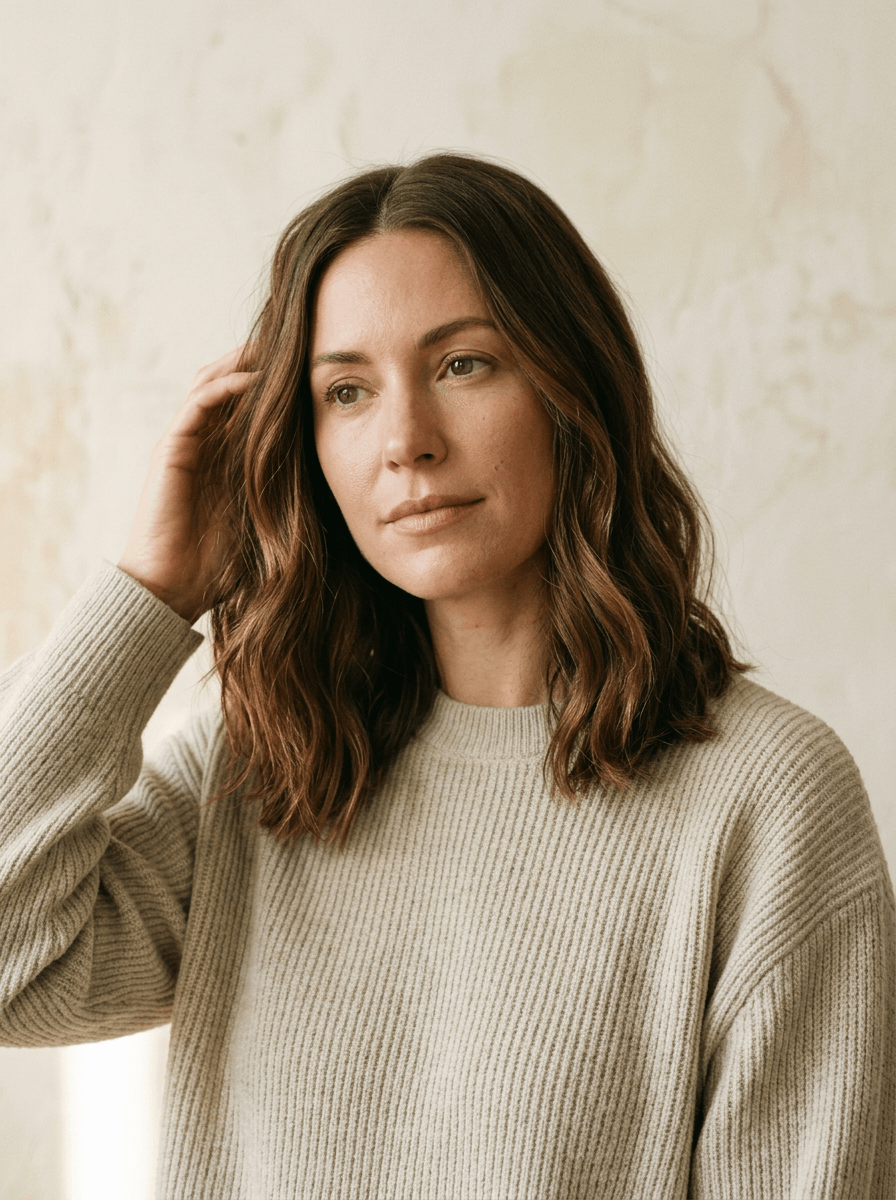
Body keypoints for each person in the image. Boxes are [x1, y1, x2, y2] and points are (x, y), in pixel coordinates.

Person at [0, 153, 893, 1199]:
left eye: (463, 365)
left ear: (573, 390)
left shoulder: (764, 797)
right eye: (345, 391)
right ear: (303, 445)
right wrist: (152, 592)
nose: (406, 442)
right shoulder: (262, 769)